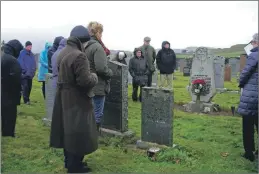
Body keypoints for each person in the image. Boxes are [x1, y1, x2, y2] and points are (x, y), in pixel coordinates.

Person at [49, 25, 98, 173]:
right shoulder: (79, 55)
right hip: (77, 100)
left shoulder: (63, 52)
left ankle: (69, 162)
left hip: (63, 97)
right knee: (79, 133)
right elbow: (85, 81)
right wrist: (94, 76)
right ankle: (74, 166)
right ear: (83, 41)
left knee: (67, 132)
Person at [85, 21, 113, 131]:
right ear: (98, 32)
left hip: (86, 82)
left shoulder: (85, 46)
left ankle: (86, 134)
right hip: (97, 85)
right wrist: (110, 72)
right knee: (97, 113)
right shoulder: (97, 47)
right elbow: (101, 68)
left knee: (88, 111)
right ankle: (93, 137)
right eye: (101, 33)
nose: (101, 35)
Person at [237, 33, 258, 162]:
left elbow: (246, 73)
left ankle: (249, 153)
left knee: (248, 126)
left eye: (253, 42)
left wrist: (240, 83)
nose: (252, 44)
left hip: (252, 96)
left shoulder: (254, 55)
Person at [1, 39, 24, 137]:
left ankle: (4, 131)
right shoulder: (13, 60)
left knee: (3, 113)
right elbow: (17, 78)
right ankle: (9, 133)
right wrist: (19, 92)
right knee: (10, 114)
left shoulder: (3, 56)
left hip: (3, 90)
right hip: (10, 92)